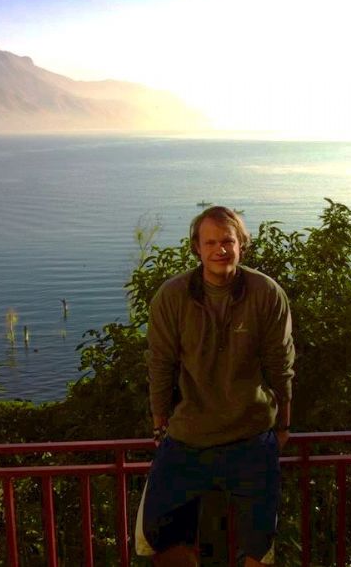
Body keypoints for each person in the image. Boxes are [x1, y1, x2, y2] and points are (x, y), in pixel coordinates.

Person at [135, 206, 295, 566]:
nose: (220, 250)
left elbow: (281, 366)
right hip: (188, 437)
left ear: (242, 245)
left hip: (251, 436)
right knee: (156, 535)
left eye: (228, 241)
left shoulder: (266, 293)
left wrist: (283, 425)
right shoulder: (173, 296)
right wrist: (159, 423)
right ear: (197, 248)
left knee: (260, 546)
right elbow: (160, 365)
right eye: (210, 243)